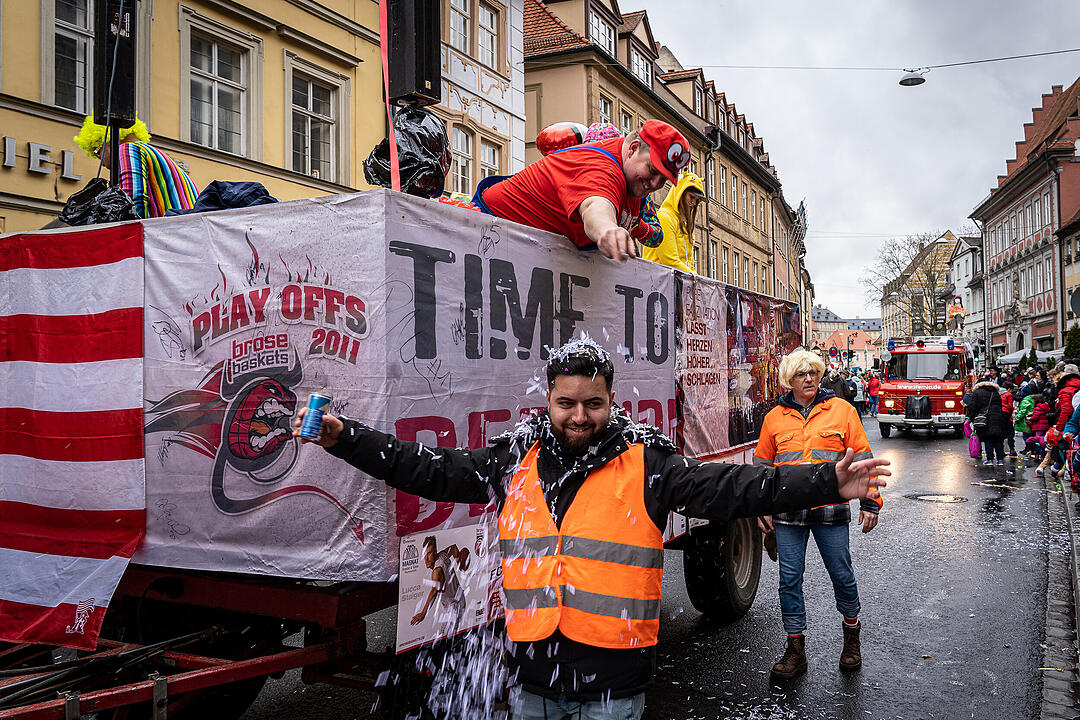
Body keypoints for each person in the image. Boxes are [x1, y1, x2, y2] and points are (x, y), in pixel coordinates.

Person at [293, 338, 888, 719]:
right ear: (547, 400)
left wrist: (826, 482)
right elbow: (427, 469)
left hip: (612, 689)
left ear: (612, 402)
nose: (580, 417)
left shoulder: (649, 464)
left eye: (593, 404)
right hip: (532, 682)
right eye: (567, 403)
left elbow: (736, 487)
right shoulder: (514, 461)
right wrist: (346, 438)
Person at [754, 350, 881, 680]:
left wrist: (871, 501)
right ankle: (795, 649)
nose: (809, 379)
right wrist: (760, 509)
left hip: (830, 509)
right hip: (788, 512)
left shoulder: (841, 410)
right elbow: (762, 469)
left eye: (813, 372)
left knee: (842, 574)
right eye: (801, 374)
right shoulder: (774, 418)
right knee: (789, 580)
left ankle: (851, 637)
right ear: (789, 381)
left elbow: (863, 459)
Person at [472, 120, 691, 261]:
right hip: (484, 236)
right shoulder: (600, 167)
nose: (655, 184)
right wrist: (607, 229)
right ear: (633, 149)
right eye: (652, 170)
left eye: (664, 179)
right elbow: (595, 205)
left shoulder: (633, 181)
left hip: (523, 250)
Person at [73, 116, 199, 218]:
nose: (102, 163)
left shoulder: (128, 149)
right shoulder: (150, 152)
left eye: (97, 152)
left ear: (107, 142)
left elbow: (132, 200)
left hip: (169, 232)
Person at [640, 172, 705, 274]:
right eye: (691, 197)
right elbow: (669, 260)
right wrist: (694, 277)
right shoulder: (664, 217)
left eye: (697, 200)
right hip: (657, 279)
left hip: (675, 279)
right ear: (680, 193)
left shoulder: (686, 224)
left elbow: (689, 262)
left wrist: (695, 277)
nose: (694, 203)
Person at [966, 377, 1010, 466]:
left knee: (988, 438)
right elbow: (999, 404)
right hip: (998, 417)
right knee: (998, 438)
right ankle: (1000, 460)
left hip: (984, 418)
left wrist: (971, 417)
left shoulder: (977, 392)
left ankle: (990, 459)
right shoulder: (995, 392)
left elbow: (973, 406)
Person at [999, 380, 1017, 458]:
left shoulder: (997, 393)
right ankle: (1012, 449)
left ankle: (1001, 450)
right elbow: (1010, 406)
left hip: (998, 414)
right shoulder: (1008, 394)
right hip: (1006, 414)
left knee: (1000, 432)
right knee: (1010, 432)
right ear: (1009, 389)